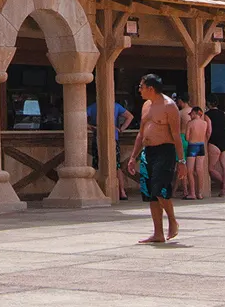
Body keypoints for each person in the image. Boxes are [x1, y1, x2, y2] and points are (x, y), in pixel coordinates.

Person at [126, 74, 186, 243]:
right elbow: (141, 133)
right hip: (148, 152)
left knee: (160, 190)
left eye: (141, 87)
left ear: (150, 88)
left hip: (165, 151)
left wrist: (181, 161)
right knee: (150, 194)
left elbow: (176, 135)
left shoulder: (169, 106)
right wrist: (133, 157)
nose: (139, 90)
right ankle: (158, 233)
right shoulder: (146, 106)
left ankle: (172, 220)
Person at [87, 98, 133, 200]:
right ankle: (122, 191)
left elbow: (81, 118)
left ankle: (96, 191)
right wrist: (121, 129)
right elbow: (130, 116)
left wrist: (91, 127)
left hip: (98, 137)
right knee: (116, 165)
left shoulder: (94, 106)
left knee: (97, 164)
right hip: (113, 138)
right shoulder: (116, 106)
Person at [206, 97, 225, 197]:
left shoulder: (207, 115)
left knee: (211, 168)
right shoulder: (223, 114)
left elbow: (209, 130)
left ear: (208, 103)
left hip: (214, 141)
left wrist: (206, 141)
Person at [185, 106, 211, 199]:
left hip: (192, 146)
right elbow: (207, 134)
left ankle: (192, 192)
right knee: (200, 170)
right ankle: (199, 192)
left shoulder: (190, 123)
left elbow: (187, 137)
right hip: (201, 146)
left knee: (190, 170)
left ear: (195, 113)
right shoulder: (205, 123)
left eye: (191, 114)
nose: (190, 116)